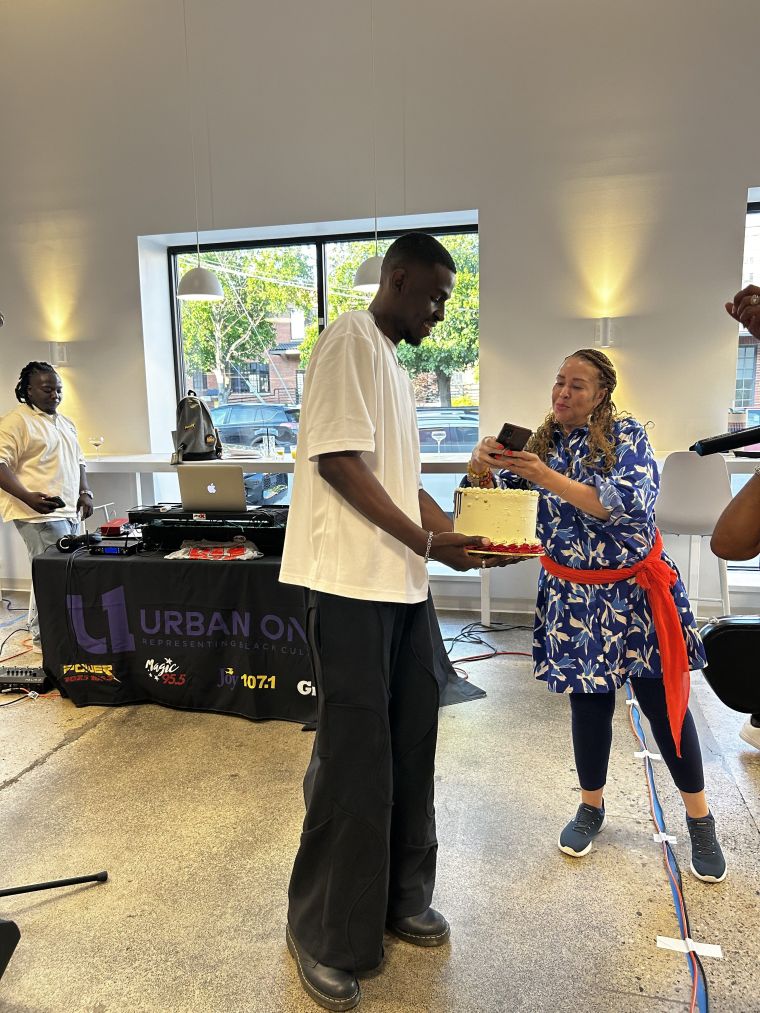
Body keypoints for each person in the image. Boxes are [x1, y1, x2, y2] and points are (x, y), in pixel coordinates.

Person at [279, 233, 500, 1012]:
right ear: (397, 278)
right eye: (435, 297)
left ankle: (401, 895)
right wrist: (429, 541)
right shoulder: (347, 340)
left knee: (412, 748)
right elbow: (337, 462)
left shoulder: (396, 364)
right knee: (354, 762)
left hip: (403, 591)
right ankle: (323, 931)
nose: (440, 314)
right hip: (345, 589)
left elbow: (403, 484)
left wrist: (459, 544)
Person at [465, 348, 727, 883]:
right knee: (589, 706)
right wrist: (484, 470)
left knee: (663, 706)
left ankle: (700, 818)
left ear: (602, 393)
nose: (563, 393)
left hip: (634, 593)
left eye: (577, 385)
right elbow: (508, 510)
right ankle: (591, 805)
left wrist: (545, 476)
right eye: (559, 382)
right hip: (573, 599)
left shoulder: (627, 436)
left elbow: (627, 506)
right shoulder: (542, 444)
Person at [0, 362, 93, 646]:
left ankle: (47, 634)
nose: (54, 395)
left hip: (68, 512)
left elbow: (79, 461)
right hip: (36, 514)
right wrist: (27, 496)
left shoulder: (65, 422)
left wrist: (85, 491)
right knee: (54, 577)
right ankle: (45, 642)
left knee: (54, 574)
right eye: (47, 389)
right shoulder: (16, 421)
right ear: (29, 390)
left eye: (58, 389)